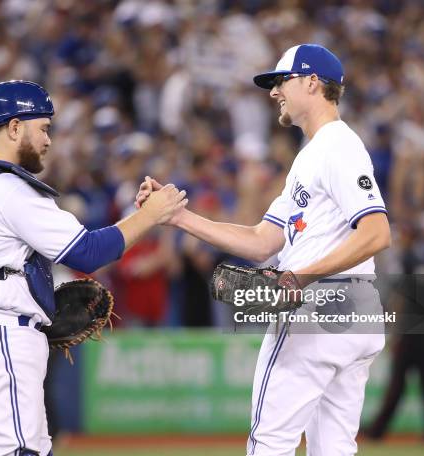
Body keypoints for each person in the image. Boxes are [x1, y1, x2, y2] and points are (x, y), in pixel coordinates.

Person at [137, 44, 391, 455]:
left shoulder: (336, 146)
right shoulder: (314, 155)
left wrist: (301, 277)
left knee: (270, 443)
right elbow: (261, 242)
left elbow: (377, 232)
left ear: (312, 83)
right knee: (334, 448)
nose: (274, 92)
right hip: (355, 308)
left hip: (320, 304)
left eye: (281, 81)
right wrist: (178, 217)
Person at [0, 80, 187, 456]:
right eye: (44, 128)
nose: (49, 140)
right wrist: (148, 216)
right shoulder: (10, 189)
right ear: (15, 127)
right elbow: (86, 253)